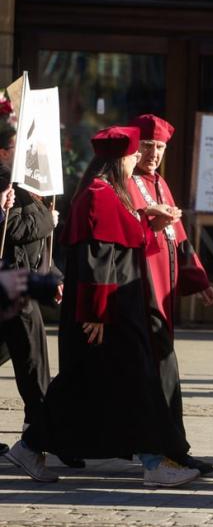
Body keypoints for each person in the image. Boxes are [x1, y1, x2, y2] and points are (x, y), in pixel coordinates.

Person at [5, 126, 199, 488]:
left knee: (81, 389)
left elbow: (122, 239)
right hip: (109, 314)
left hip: (113, 310)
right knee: (135, 384)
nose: (137, 160)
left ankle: (30, 446)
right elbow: (99, 258)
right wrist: (96, 314)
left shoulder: (110, 192)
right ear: (117, 159)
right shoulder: (100, 194)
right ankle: (154, 463)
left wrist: (150, 220)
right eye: (131, 156)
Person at [127, 113, 213, 475]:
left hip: (162, 293)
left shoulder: (161, 184)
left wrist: (200, 279)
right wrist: (148, 220)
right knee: (158, 371)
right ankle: (163, 450)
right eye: (147, 146)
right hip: (138, 290)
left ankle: (174, 447)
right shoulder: (124, 182)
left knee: (166, 370)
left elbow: (179, 237)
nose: (153, 154)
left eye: (160, 147)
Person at [0, 126, 62, 471]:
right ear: (2, 153)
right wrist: (48, 219)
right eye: (16, 146)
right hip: (13, 289)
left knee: (30, 361)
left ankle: (35, 433)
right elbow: (17, 231)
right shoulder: (4, 182)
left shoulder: (27, 185)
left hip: (22, 286)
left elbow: (35, 248)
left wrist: (55, 276)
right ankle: (35, 440)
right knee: (33, 365)